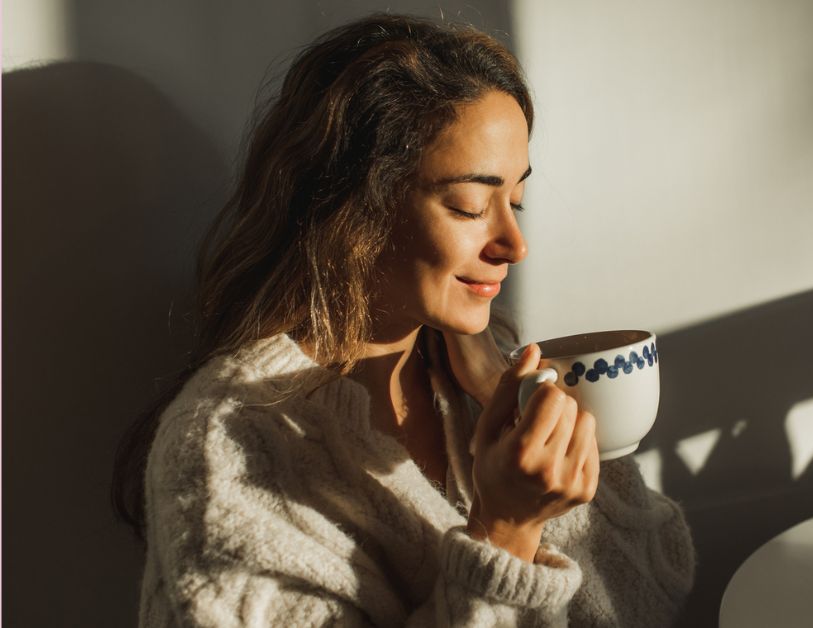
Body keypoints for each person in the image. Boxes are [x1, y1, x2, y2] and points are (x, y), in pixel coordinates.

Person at [110, 13, 695, 627]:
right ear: (356, 209)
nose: (514, 243)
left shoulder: (478, 366)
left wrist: (514, 402)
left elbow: (653, 584)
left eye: (515, 199)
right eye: (470, 206)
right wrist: (506, 534)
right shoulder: (229, 445)